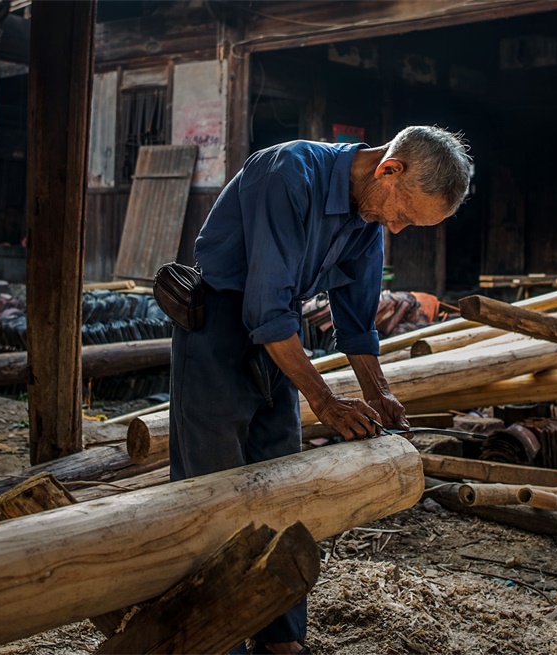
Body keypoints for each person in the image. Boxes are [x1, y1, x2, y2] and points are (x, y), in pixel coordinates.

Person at [168, 126, 471, 654]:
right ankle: (218, 642)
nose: (395, 227)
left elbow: (356, 322)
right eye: (403, 214)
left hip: (279, 337)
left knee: (282, 482)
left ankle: (280, 637)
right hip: (217, 323)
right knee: (213, 488)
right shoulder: (287, 173)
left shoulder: (366, 214)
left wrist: (379, 394)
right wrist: (325, 399)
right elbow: (264, 307)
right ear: (390, 169)